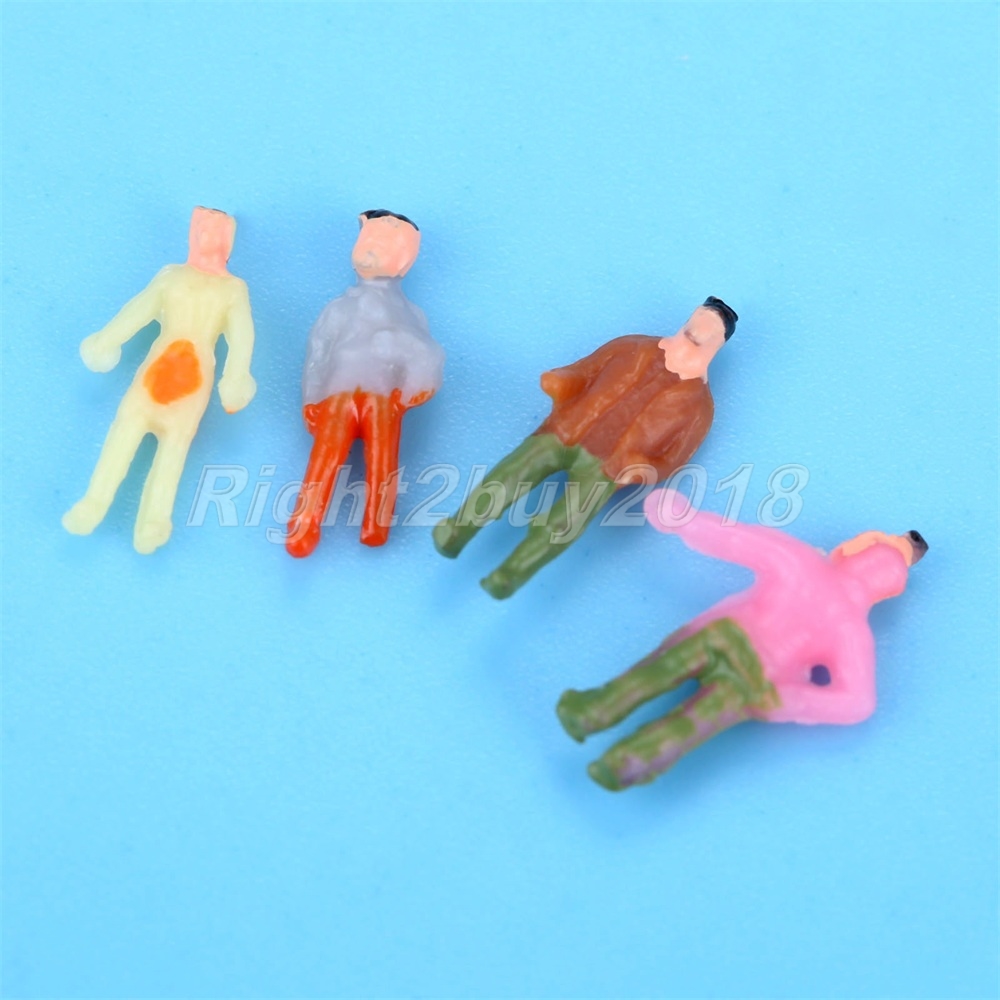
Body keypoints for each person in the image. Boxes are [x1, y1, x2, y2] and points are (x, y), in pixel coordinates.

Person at [556, 488, 929, 791]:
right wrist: (779, 699)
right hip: (756, 679)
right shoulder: (851, 631)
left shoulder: (801, 564)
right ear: (884, 594)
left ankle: (593, 711)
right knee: (692, 723)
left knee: (656, 672)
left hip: (723, 635)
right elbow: (857, 703)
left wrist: (682, 519)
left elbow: (735, 540)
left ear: (848, 550)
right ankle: (628, 764)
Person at [432, 298, 738, 598]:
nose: (695, 334)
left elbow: (672, 459)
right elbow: (584, 371)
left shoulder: (698, 406)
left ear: (715, 347)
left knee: (563, 522)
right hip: (565, 430)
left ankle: (510, 574)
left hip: (609, 468)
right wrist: (560, 381)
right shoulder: (631, 347)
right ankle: (456, 529)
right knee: (510, 476)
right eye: (694, 326)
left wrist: (640, 467)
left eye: (704, 336)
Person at [62, 207, 257, 554]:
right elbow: (138, 310)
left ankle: (155, 520)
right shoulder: (171, 277)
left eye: (215, 230)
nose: (207, 236)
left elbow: (242, 336)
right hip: (155, 369)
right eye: (202, 228)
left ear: (228, 239)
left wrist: (237, 377)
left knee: (174, 445)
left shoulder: (232, 290)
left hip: (194, 378)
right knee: (125, 430)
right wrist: (107, 340)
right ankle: (93, 503)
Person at [285, 210, 444, 556]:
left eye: (384, 243)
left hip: (385, 399)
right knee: (324, 459)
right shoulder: (339, 308)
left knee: (383, 462)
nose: (372, 247)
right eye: (368, 239)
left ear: (405, 259)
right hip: (338, 395)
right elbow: (319, 351)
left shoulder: (411, 315)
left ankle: (376, 523)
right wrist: (312, 396)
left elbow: (426, 355)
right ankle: (304, 524)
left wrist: (414, 388)